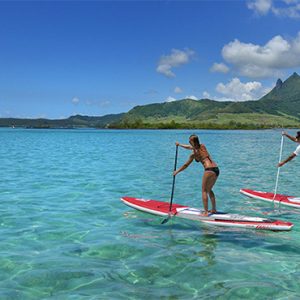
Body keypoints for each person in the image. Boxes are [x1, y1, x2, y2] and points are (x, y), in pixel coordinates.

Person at [173, 134, 219, 216]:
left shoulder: (193, 154)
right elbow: (190, 147)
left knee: (204, 191)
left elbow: (185, 165)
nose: (189, 143)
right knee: (209, 190)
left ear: (192, 142)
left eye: (189, 141)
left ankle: (205, 212)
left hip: (209, 170)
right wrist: (179, 145)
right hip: (216, 169)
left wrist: (177, 171)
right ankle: (214, 209)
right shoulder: (203, 146)